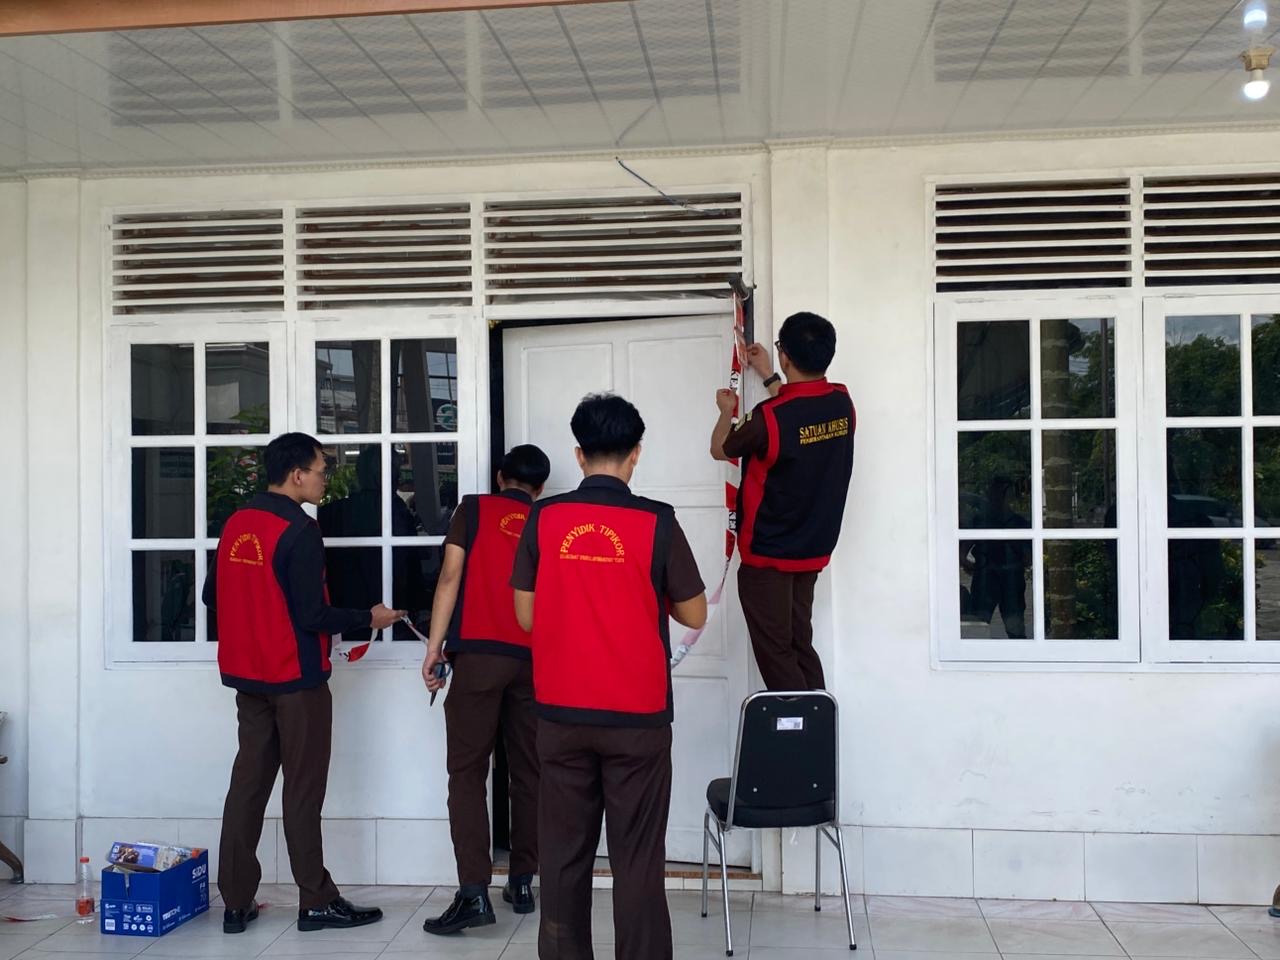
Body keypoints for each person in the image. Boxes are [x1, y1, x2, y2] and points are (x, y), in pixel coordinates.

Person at [511, 394, 707, 960]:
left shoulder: (544, 518)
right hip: (637, 718)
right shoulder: (656, 521)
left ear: (579, 454)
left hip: (561, 713)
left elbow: (526, 616)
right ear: (635, 453)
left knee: (562, 856)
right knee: (637, 860)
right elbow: (694, 613)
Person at [203, 432, 403, 935]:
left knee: (247, 786)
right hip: (295, 679)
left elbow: (211, 596)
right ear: (296, 475)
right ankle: (315, 900)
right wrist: (369, 617)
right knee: (302, 791)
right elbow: (313, 614)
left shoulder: (237, 523)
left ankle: (235, 902)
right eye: (320, 470)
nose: (324, 480)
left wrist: (255, 615)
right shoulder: (299, 530)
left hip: (248, 677)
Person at [421, 444, 552, 935]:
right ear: (540, 487)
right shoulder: (546, 520)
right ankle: (522, 881)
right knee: (529, 772)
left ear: (500, 477)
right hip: (532, 659)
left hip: (477, 656)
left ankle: (474, 893)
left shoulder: (473, 510)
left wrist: (434, 647)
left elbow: (449, 577)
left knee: (467, 773)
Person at [710, 311, 855, 691]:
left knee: (776, 652)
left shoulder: (768, 418)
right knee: (798, 642)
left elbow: (720, 448)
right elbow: (799, 413)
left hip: (768, 556)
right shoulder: (842, 403)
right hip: (812, 549)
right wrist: (769, 375)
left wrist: (726, 412)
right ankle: (820, 718)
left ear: (785, 356)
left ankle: (797, 722)